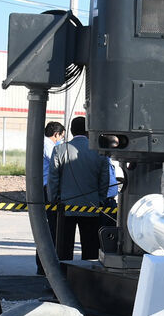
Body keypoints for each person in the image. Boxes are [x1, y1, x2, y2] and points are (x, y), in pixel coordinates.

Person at [49, 116, 110, 261]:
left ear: (70, 130)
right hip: (91, 205)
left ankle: (64, 276)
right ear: (89, 131)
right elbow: (104, 180)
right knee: (90, 246)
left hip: (66, 205)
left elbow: (53, 179)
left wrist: (53, 199)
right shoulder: (99, 152)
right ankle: (88, 278)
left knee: (64, 247)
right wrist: (100, 199)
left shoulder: (60, 150)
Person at [36, 121, 65, 274]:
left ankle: (42, 266)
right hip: (47, 189)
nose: (61, 140)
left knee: (44, 227)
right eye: (61, 137)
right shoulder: (50, 146)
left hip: (41, 187)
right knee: (50, 228)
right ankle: (45, 266)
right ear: (56, 134)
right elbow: (57, 164)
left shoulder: (40, 143)